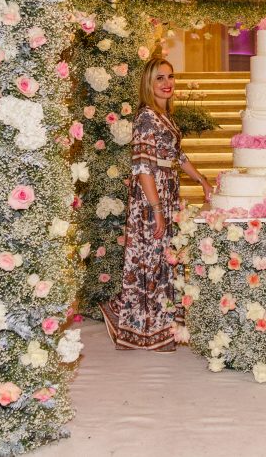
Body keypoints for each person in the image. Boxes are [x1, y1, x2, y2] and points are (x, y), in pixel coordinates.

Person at [100, 57, 213, 351]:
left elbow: (177, 156)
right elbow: (143, 167)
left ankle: (156, 323)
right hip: (151, 196)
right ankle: (138, 323)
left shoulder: (166, 117)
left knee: (162, 257)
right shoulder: (146, 117)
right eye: (159, 79)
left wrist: (201, 179)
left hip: (167, 189)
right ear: (149, 85)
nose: (167, 84)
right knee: (150, 256)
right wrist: (157, 210)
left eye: (170, 77)